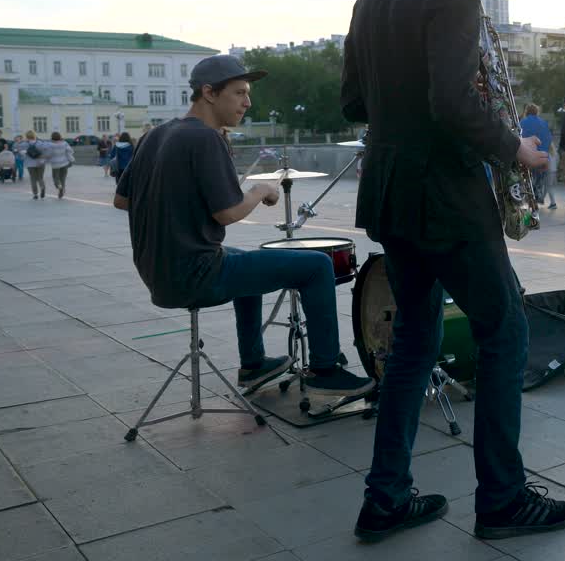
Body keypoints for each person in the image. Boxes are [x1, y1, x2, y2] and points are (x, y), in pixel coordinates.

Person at [339, 0, 565, 544]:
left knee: (415, 340)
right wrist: (518, 150)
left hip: (389, 192)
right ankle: (503, 499)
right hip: (446, 196)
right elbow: (451, 102)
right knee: (505, 331)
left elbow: (354, 103)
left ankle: (385, 497)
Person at [115, 54, 373, 398]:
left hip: (157, 273)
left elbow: (123, 200)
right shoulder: (206, 138)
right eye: (239, 93)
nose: (247, 103)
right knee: (317, 266)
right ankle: (325, 370)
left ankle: (253, 364)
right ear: (209, 93)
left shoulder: (155, 135)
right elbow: (228, 213)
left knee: (244, 260)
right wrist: (259, 190)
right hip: (196, 274)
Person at [518, 103, 552, 208]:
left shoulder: (522, 122)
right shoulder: (543, 123)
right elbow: (548, 138)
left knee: (528, 178)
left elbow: (519, 138)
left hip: (528, 156)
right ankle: (538, 196)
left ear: (526, 111)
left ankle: (531, 199)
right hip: (542, 156)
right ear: (537, 111)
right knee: (541, 178)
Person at [43, 132, 75, 198]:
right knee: (63, 178)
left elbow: (48, 154)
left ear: (52, 137)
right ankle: (62, 190)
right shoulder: (65, 143)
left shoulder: (50, 145)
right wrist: (70, 159)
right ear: (60, 136)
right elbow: (70, 151)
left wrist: (45, 159)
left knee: (56, 178)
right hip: (64, 163)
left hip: (55, 164)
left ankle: (59, 187)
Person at [20, 130, 47, 199]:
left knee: (33, 179)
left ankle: (35, 194)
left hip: (30, 164)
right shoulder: (40, 143)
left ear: (27, 136)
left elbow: (22, 154)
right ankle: (42, 187)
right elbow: (45, 151)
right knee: (40, 177)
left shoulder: (24, 144)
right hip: (40, 162)